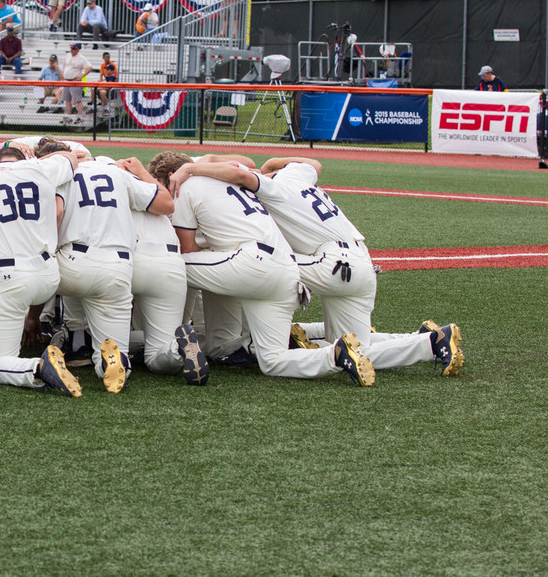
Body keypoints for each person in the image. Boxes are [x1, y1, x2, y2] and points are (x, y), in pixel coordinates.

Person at [147, 151, 376, 387]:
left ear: (171, 176)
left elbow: (186, 250)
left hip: (253, 262)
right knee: (273, 361)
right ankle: (335, 353)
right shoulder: (231, 178)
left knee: (169, 263)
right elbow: (246, 166)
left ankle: (169, 334)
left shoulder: (186, 186)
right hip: (288, 268)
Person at [0, 146, 84, 396]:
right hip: (47, 273)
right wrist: (38, 159)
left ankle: (39, 366)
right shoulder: (39, 168)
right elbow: (70, 157)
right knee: (24, 293)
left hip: (7, 274)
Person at [50, 149, 183, 393]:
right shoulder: (117, 174)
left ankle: (68, 339)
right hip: (118, 266)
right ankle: (117, 360)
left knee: (24, 274)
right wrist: (141, 172)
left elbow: (55, 213)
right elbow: (165, 204)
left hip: (73, 260)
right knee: (114, 348)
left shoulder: (62, 173)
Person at [61, 42, 93, 122]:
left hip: (75, 81)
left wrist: (81, 77)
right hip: (66, 80)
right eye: (71, 48)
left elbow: (89, 67)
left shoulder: (81, 58)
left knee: (77, 100)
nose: (71, 50)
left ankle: (80, 117)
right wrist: (63, 72)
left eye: (73, 48)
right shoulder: (68, 55)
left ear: (77, 50)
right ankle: (69, 117)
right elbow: (64, 64)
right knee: (67, 100)